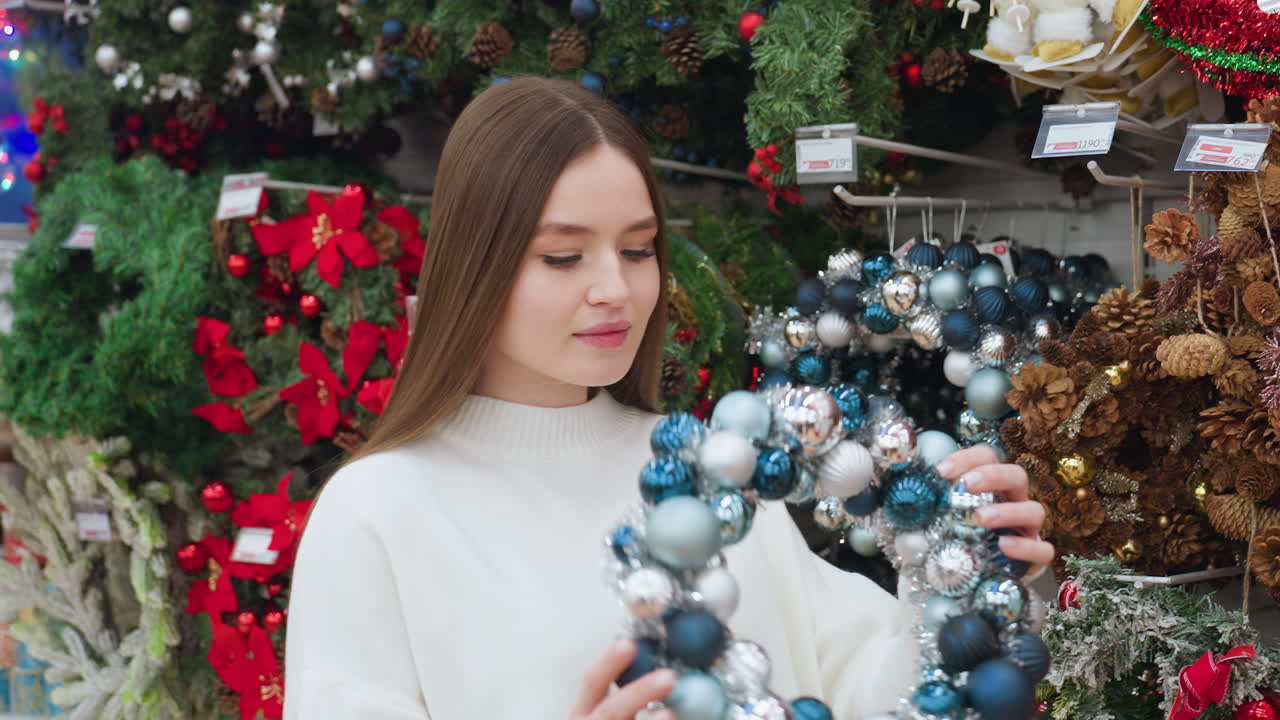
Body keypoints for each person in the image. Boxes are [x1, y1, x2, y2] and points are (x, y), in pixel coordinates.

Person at [283, 76, 1053, 720]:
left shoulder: (708, 469)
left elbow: (867, 693)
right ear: (475, 265)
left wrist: (955, 588)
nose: (616, 290)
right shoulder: (378, 511)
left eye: (637, 248)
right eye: (562, 256)